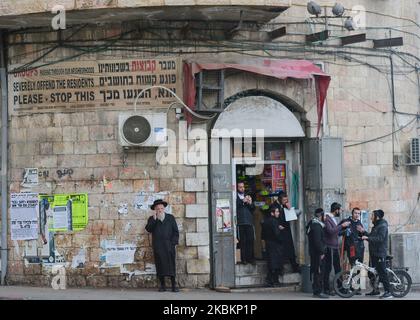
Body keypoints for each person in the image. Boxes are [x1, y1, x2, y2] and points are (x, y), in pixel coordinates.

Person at [145, 199, 180, 292]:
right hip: (158, 247)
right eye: (157, 208)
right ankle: (163, 285)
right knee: (160, 266)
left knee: (171, 265)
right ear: (155, 210)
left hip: (169, 246)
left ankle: (173, 285)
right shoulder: (152, 219)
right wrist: (154, 220)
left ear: (164, 208)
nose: (160, 210)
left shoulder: (170, 218)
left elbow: (176, 232)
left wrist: (173, 243)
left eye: (161, 208)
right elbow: (148, 229)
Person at [358, 209, 392, 299]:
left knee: (382, 273)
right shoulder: (376, 226)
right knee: (371, 273)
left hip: (380, 253)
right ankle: (375, 290)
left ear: (377, 217)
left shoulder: (383, 226)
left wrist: (367, 238)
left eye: (372, 216)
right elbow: (372, 236)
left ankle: (388, 292)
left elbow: (380, 238)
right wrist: (363, 232)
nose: (371, 218)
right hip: (374, 253)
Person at [323, 202, 350, 295]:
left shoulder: (333, 219)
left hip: (335, 247)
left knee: (338, 268)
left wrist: (343, 231)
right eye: (340, 210)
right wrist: (342, 226)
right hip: (329, 247)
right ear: (336, 210)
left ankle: (340, 288)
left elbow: (335, 232)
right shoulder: (327, 219)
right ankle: (326, 289)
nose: (340, 211)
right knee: (328, 269)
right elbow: (330, 231)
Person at [338, 207, 365, 295]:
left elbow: (363, 234)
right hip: (350, 248)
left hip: (360, 248)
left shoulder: (359, 223)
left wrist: (363, 231)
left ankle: (356, 288)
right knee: (350, 267)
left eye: (358, 213)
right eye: (355, 213)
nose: (357, 215)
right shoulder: (346, 221)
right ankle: (347, 287)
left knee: (358, 268)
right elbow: (337, 231)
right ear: (352, 213)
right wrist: (344, 231)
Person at [272, 193, 300, 274]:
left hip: (286, 230)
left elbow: (290, 217)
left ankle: (294, 266)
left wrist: (289, 208)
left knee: (290, 249)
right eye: (284, 200)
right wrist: (277, 225)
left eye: (286, 200)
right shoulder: (275, 206)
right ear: (280, 199)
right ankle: (280, 269)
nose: (285, 202)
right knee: (280, 250)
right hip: (279, 231)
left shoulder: (285, 206)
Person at [306, 208, 329, 299]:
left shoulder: (313, 224)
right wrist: (322, 252)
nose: (325, 218)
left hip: (315, 252)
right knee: (318, 271)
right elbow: (317, 241)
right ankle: (318, 291)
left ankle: (317, 290)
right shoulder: (316, 226)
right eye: (324, 216)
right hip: (317, 253)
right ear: (320, 216)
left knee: (316, 271)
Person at [261, 205, 283, 287]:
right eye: (277, 211)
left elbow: (262, 235)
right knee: (275, 263)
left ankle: (271, 280)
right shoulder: (274, 221)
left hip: (268, 244)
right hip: (275, 244)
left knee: (271, 263)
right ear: (272, 213)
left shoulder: (265, 221)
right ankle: (273, 280)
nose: (278, 213)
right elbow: (277, 234)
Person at [236, 181, 256, 265]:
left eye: (243, 187)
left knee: (250, 240)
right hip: (241, 222)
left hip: (249, 222)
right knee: (243, 241)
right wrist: (243, 201)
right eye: (240, 187)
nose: (242, 188)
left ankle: (250, 258)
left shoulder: (247, 196)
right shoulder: (235, 196)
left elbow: (253, 209)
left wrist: (250, 203)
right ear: (237, 188)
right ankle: (243, 259)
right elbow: (236, 206)